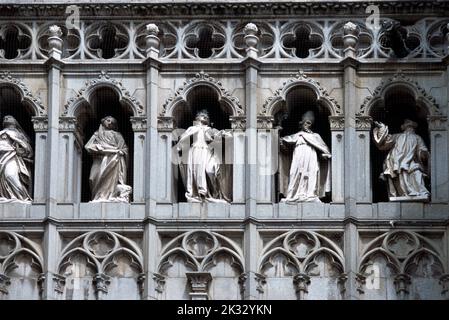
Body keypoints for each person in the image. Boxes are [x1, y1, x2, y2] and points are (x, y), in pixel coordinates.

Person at [176, 110, 232, 203]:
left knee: (210, 170)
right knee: (196, 172)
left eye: (206, 116)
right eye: (201, 115)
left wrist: (224, 135)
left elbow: (221, 136)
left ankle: (214, 194)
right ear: (196, 118)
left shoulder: (210, 130)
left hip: (207, 152)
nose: (204, 117)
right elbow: (181, 141)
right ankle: (199, 194)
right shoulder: (192, 129)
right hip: (195, 151)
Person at [279, 111, 331, 203]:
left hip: (311, 155)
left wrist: (325, 155)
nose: (308, 125)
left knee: (312, 172)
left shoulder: (315, 136)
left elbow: (324, 148)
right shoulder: (296, 135)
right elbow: (285, 144)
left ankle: (311, 194)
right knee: (295, 172)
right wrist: (279, 137)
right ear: (301, 124)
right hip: (298, 154)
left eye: (309, 123)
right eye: (306, 123)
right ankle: (292, 195)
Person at [373, 119, 430, 200]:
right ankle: (404, 193)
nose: (410, 128)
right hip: (397, 162)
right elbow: (384, 144)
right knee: (401, 172)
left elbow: (422, 150)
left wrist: (423, 154)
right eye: (408, 126)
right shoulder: (398, 136)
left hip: (411, 162)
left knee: (417, 173)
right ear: (404, 128)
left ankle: (420, 192)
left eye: (411, 127)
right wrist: (382, 129)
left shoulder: (417, 138)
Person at [85, 116, 131, 202]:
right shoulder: (97, 134)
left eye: (112, 123)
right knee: (92, 178)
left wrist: (118, 152)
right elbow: (88, 146)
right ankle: (97, 196)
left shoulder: (117, 135)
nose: (110, 123)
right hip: (99, 159)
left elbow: (123, 149)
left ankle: (110, 195)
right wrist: (97, 147)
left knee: (110, 178)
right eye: (108, 121)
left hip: (113, 159)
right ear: (103, 121)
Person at [0, 115, 33, 203]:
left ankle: (21, 197)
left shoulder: (19, 134)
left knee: (10, 175)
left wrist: (21, 150)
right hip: (1, 157)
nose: (6, 118)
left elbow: (27, 150)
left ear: (15, 121)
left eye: (9, 117)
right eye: (4, 118)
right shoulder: (1, 133)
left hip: (11, 156)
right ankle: (6, 196)